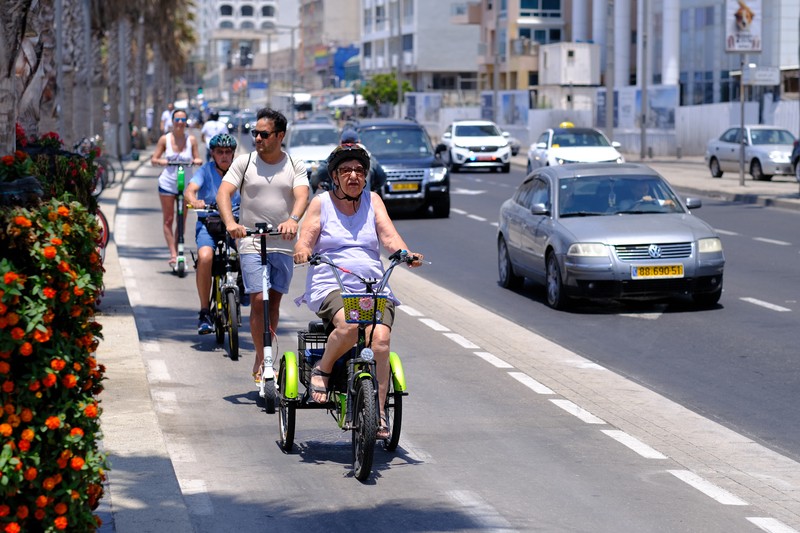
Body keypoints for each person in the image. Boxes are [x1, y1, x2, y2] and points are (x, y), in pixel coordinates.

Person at [293, 143, 424, 440]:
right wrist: (302, 251)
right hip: (331, 282)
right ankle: (322, 371)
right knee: (351, 325)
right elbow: (307, 238)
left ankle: (378, 416)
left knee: (380, 339)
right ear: (335, 177)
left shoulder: (373, 200)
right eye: (346, 170)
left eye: (359, 171)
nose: (353, 175)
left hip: (372, 285)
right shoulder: (321, 202)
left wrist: (406, 253)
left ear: (366, 176)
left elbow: (390, 237)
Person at [216, 108, 310, 383]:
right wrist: (231, 223)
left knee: (274, 302)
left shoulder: (294, 164)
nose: (257, 137)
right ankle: (264, 356)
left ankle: (262, 353)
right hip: (251, 243)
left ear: (280, 136)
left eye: (264, 134)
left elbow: (302, 194)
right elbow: (224, 192)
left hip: (282, 243)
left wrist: (293, 220)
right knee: (258, 300)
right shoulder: (244, 163)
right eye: (255, 132)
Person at [185, 133, 240, 334]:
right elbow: (190, 190)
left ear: (233, 154)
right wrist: (195, 200)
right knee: (205, 257)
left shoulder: (239, 171)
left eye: (228, 152)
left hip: (234, 224)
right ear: (212, 154)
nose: (224, 156)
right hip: (208, 223)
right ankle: (204, 311)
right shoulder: (205, 170)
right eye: (220, 152)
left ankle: (242, 285)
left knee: (249, 252)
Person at [151, 108, 204, 271]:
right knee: (168, 219)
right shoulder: (164, 139)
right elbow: (154, 158)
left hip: (186, 186)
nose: (180, 123)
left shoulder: (191, 140)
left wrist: (197, 160)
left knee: (181, 219)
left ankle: (179, 249)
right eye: (177, 120)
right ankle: (173, 253)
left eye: (183, 120)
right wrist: (161, 162)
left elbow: (197, 157)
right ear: (172, 122)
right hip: (168, 184)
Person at [310, 129, 386, 194]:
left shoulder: (335, 157)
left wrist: (314, 185)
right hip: (363, 203)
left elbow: (316, 175)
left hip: (339, 205)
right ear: (359, 142)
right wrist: (371, 188)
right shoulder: (369, 157)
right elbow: (381, 176)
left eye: (359, 170)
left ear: (341, 142)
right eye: (345, 171)